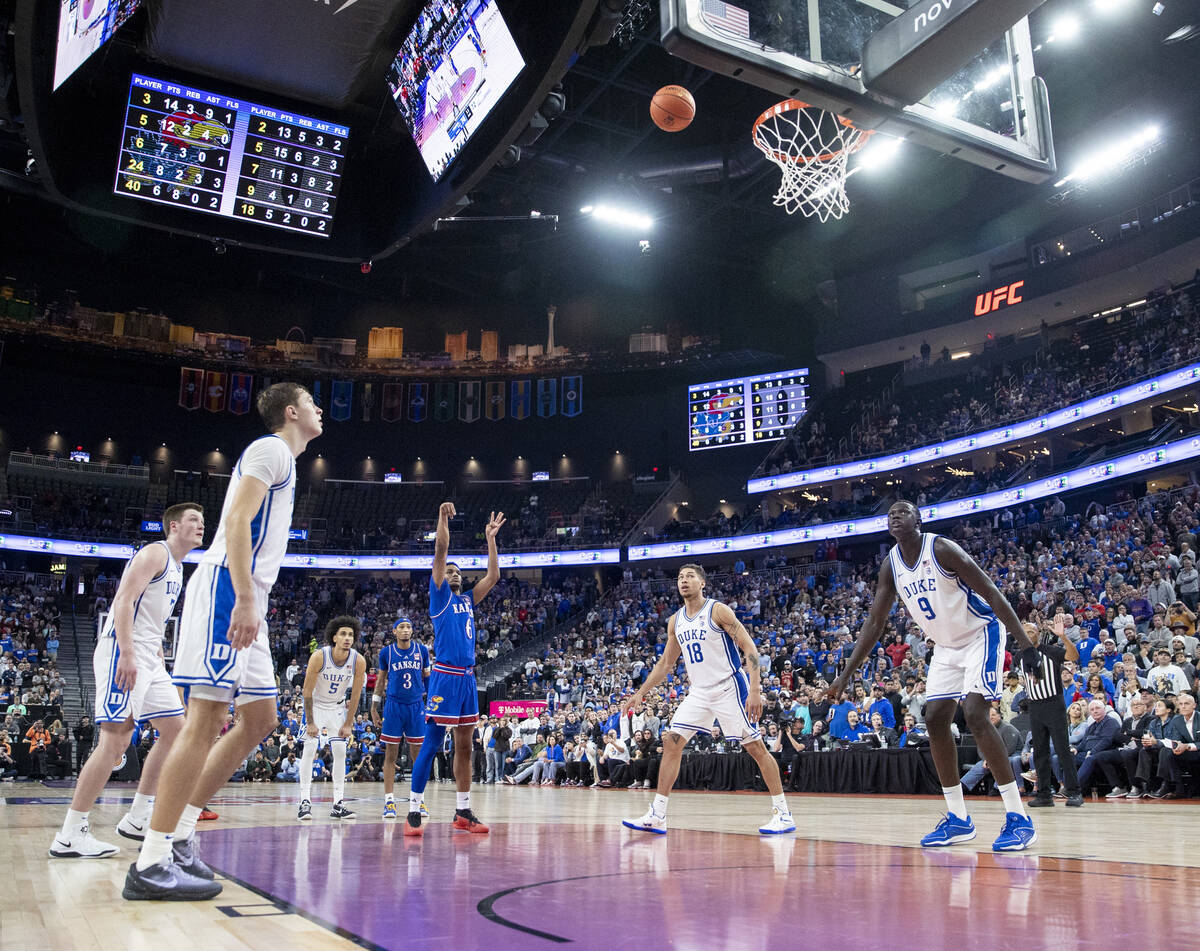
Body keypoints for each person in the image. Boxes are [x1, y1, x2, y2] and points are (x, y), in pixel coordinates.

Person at [123, 382, 322, 901]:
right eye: (312, 402)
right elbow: (235, 519)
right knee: (206, 718)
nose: (321, 410)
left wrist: (251, 595)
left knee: (261, 720)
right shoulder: (271, 448)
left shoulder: (286, 460)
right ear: (291, 411)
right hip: (227, 588)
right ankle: (150, 860)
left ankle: (183, 835)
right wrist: (244, 596)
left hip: (247, 591)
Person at [830, 501, 1038, 851]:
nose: (894, 515)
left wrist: (1025, 645)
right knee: (934, 719)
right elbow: (875, 623)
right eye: (890, 513)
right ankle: (958, 818)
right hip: (945, 646)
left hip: (980, 633)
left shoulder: (941, 548)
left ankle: (1019, 818)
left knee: (974, 713)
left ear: (919, 519)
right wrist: (846, 673)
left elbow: (990, 589)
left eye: (903, 510)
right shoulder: (891, 565)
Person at [50, 504, 204, 860]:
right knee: (115, 742)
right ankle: (71, 833)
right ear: (173, 525)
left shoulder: (179, 568)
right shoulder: (155, 553)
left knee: (177, 731)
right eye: (194, 520)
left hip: (150, 657)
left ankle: (138, 817)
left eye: (202, 521)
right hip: (124, 653)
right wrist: (128, 654)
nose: (201, 526)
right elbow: (122, 601)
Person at [622, 563, 795, 835]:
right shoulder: (675, 620)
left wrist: (755, 689)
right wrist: (640, 692)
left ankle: (783, 814)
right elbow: (666, 663)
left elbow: (748, 646)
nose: (684, 580)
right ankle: (658, 814)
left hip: (729, 686)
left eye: (690, 576)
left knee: (756, 748)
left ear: (703, 583)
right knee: (672, 742)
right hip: (699, 693)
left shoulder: (717, 610)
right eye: (680, 577)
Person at [403, 503, 505, 837]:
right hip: (444, 676)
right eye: (449, 571)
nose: (454, 572)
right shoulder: (439, 597)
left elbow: (493, 577)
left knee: (466, 746)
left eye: (458, 571)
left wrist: (490, 539)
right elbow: (441, 549)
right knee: (432, 742)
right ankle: (414, 810)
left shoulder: (468, 600)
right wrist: (442, 519)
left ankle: (462, 811)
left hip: (467, 679)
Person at [297, 616, 365, 821]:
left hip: (337, 707)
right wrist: (310, 722)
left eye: (351, 635)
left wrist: (348, 723)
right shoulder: (319, 656)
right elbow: (307, 692)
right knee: (309, 749)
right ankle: (304, 801)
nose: (347, 638)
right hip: (316, 705)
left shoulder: (358, 660)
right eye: (343, 634)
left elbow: (355, 695)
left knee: (341, 751)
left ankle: (338, 803)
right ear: (334, 637)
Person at [1020, 614, 1085, 807]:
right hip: (1035, 705)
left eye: (1032, 631)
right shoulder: (1020, 655)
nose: (1028, 634)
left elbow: (1074, 656)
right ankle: (1044, 794)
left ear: (1038, 634)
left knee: (1062, 750)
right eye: (1025, 632)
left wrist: (1063, 637)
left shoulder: (1050, 651)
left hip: (1053, 704)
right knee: (1038, 752)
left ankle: (1074, 792)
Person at [372, 617, 431, 820]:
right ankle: (389, 801)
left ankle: (418, 800)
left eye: (409, 627)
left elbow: (428, 678)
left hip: (416, 705)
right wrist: (374, 707)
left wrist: (432, 705)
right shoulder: (386, 652)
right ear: (394, 631)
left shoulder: (422, 651)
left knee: (418, 756)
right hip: (394, 706)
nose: (406, 630)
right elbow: (381, 680)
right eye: (402, 627)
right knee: (391, 754)